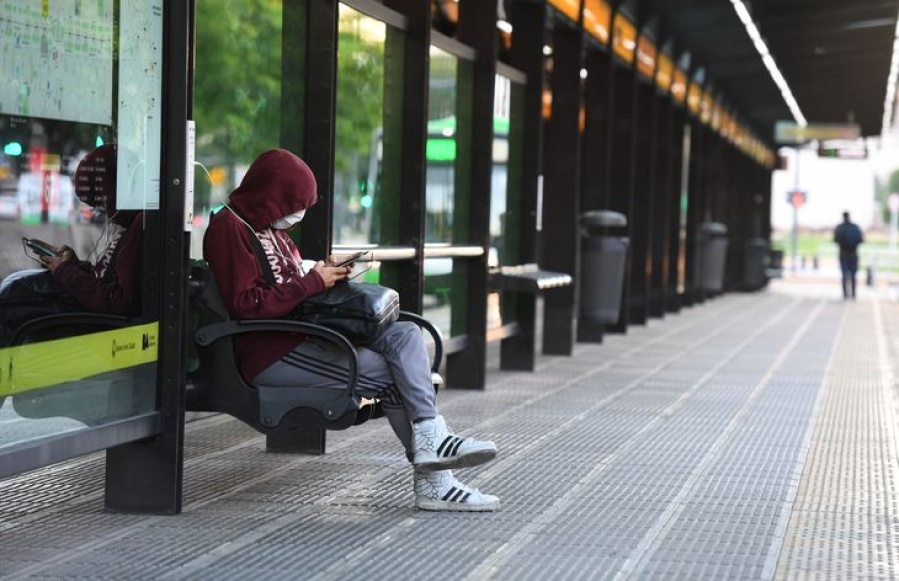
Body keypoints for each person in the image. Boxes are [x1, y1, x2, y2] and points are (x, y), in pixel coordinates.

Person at [203, 148, 500, 512]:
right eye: (293, 204)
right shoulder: (230, 228)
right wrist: (313, 282)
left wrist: (321, 272)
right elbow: (248, 305)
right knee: (397, 375)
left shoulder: (272, 229)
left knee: (405, 335)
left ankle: (431, 439)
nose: (296, 215)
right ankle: (435, 477)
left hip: (302, 336)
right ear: (271, 194)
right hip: (272, 350)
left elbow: (289, 281)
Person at [38, 144, 144, 315]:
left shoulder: (140, 226)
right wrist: (74, 265)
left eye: (102, 200)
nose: (103, 210)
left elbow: (118, 300)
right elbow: (104, 278)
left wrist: (67, 273)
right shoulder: (130, 226)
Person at [833, 211, 864, 300]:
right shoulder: (855, 227)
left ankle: (845, 294)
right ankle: (853, 293)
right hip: (853, 254)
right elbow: (861, 240)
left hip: (843, 254)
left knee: (844, 274)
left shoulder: (839, 228)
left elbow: (835, 240)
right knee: (853, 275)